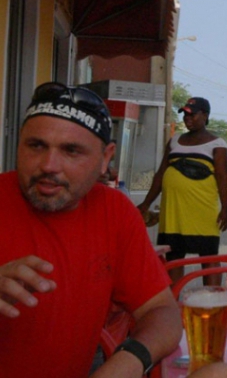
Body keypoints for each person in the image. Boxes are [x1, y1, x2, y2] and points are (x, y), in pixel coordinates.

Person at [0, 82, 181, 378]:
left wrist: (129, 361)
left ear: (105, 158)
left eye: (71, 151)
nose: (49, 165)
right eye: (36, 146)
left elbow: (162, 311)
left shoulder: (114, 212)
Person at [139, 97, 227, 286]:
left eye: (192, 114)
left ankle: (212, 304)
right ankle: (173, 303)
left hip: (203, 212)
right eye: (185, 115)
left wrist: (225, 208)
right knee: (173, 258)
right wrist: (146, 203)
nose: (187, 118)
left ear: (205, 115)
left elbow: (222, 177)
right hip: (173, 212)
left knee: (209, 257)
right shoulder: (174, 141)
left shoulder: (217, 144)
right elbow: (160, 174)